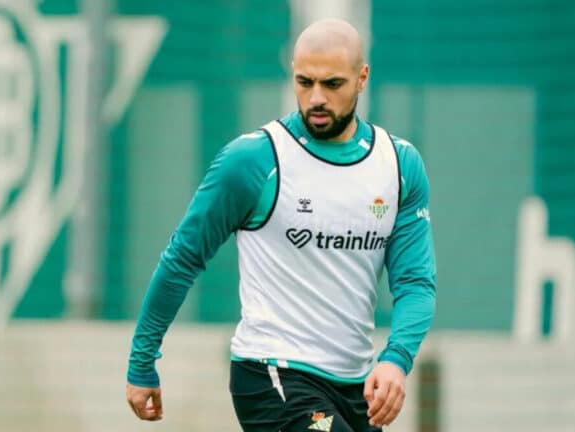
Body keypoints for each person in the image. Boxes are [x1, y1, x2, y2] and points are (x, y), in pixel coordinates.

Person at [125, 18, 436, 432]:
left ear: (363, 78)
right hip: (272, 374)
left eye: (332, 84)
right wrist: (141, 361)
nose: (316, 98)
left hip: (356, 386)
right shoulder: (254, 160)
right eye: (304, 82)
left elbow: (415, 283)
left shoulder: (399, 166)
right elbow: (182, 258)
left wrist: (396, 359)